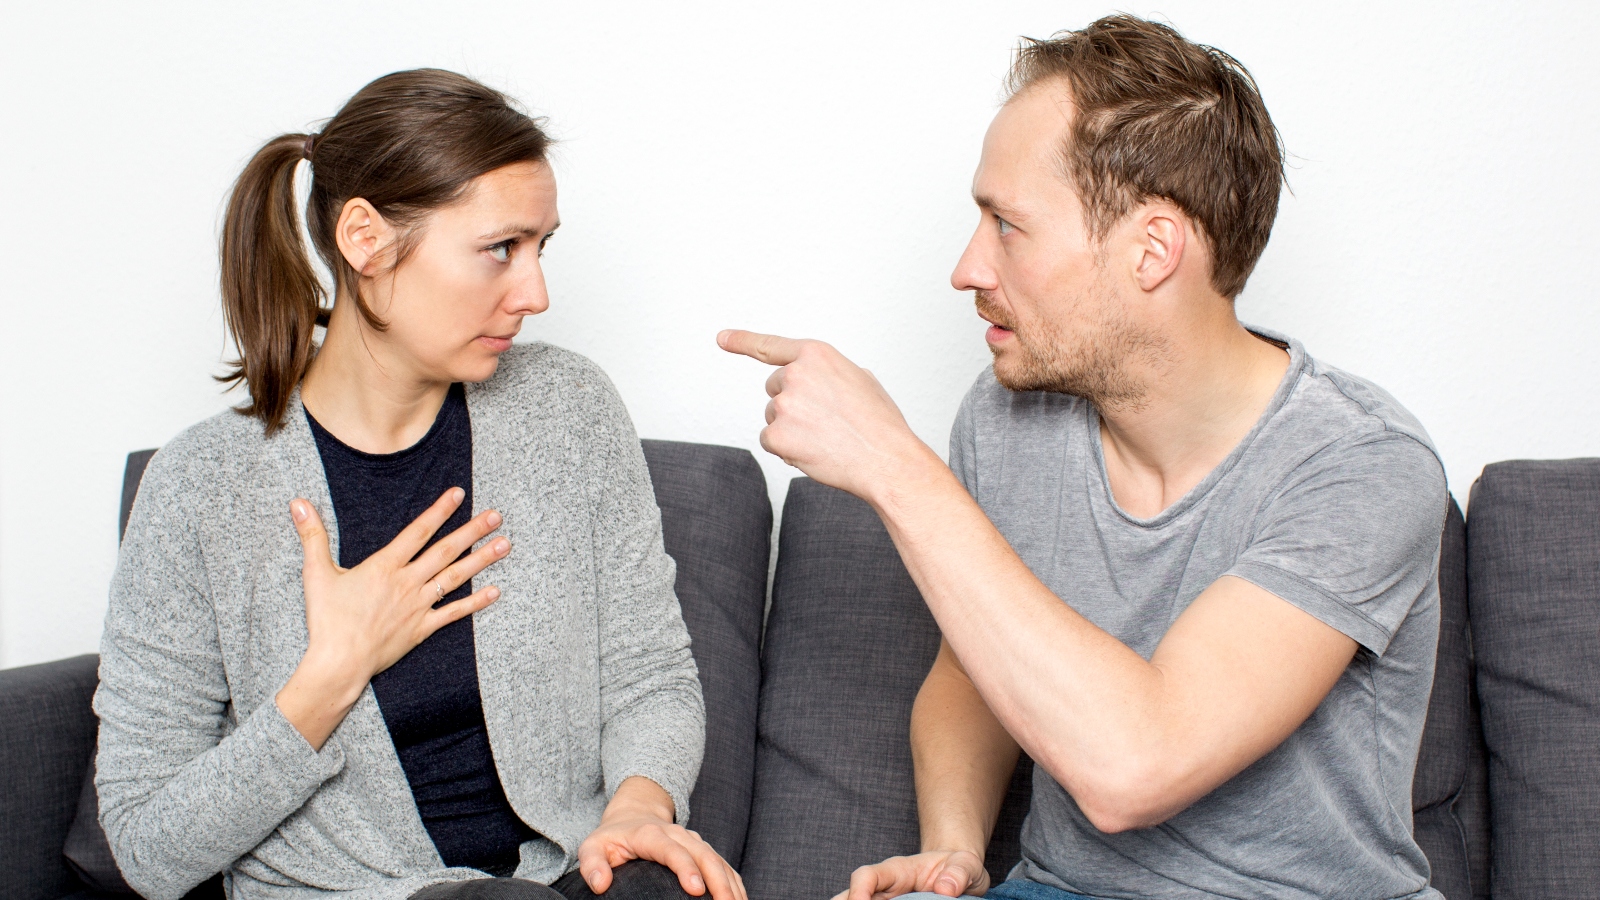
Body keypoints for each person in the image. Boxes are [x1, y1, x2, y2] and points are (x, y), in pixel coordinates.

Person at [720, 15, 1447, 900]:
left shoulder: (1362, 465)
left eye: (1007, 224)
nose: (965, 266)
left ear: (1152, 250)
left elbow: (1135, 767)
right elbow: (974, 673)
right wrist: (953, 848)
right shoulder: (1008, 417)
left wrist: (894, 465)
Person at [96, 69, 742, 900]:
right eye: (499, 248)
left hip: (559, 879)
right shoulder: (200, 488)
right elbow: (148, 852)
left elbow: (649, 674)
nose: (536, 293)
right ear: (364, 239)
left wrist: (636, 811)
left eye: (542, 247)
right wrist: (331, 675)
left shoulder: (567, 410)